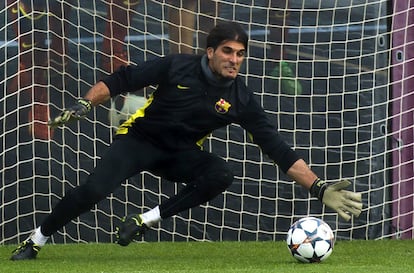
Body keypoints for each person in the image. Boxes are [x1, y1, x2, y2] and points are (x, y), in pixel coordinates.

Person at [10, 21, 362, 261]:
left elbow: (278, 150)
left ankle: (145, 220)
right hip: (138, 141)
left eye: (240, 54)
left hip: (178, 154)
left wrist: (318, 188)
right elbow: (123, 79)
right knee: (92, 192)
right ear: (210, 51)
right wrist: (87, 102)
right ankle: (37, 239)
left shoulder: (241, 100)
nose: (234, 60)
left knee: (221, 174)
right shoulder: (177, 66)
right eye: (228, 51)